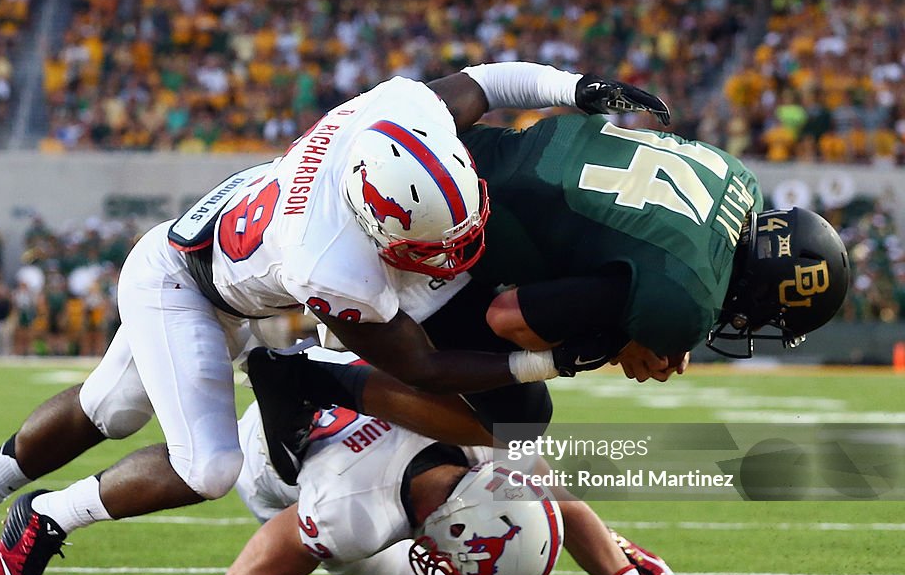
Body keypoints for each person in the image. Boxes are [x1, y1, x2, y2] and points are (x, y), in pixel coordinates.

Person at [0, 63, 671, 575]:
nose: (452, 248)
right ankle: (45, 514)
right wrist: (553, 358)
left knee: (110, 409)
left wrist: (576, 91)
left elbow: (485, 82)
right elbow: (426, 368)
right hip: (185, 286)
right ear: (374, 220)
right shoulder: (329, 265)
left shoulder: (401, 117)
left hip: (221, 257)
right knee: (205, 467)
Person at [249, 113, 852, 475]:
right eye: (763, 315)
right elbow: (509, 319)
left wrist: (631, 314)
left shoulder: (733, 174)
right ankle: (312, 378)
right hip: (435, 223)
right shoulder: (687, 299)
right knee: (519, 419)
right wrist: (622, 338)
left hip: (458, 151)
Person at [221, 352, 709, 575]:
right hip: (274, 466)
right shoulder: (350, 520)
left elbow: (556, 497)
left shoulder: (484, 445)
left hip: (351, 419)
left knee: (530, 475)